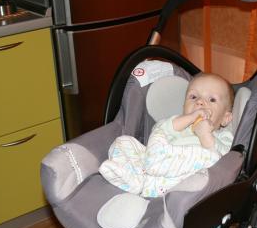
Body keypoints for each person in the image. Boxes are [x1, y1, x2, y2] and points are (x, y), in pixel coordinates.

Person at [100, 72, 235, 198]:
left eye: (212, 99)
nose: (199, 102)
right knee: (124, 141)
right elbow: (160, 131)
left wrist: (205, 134)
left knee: (211, 159)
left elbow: (222, 160)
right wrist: (190, 118)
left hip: (178, 180)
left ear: (225, 118)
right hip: (152, 163)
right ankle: (133, 179)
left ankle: (143, 182)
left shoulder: (223, 136)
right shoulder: (178, 123)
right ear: (184, 106)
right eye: (193, 97)